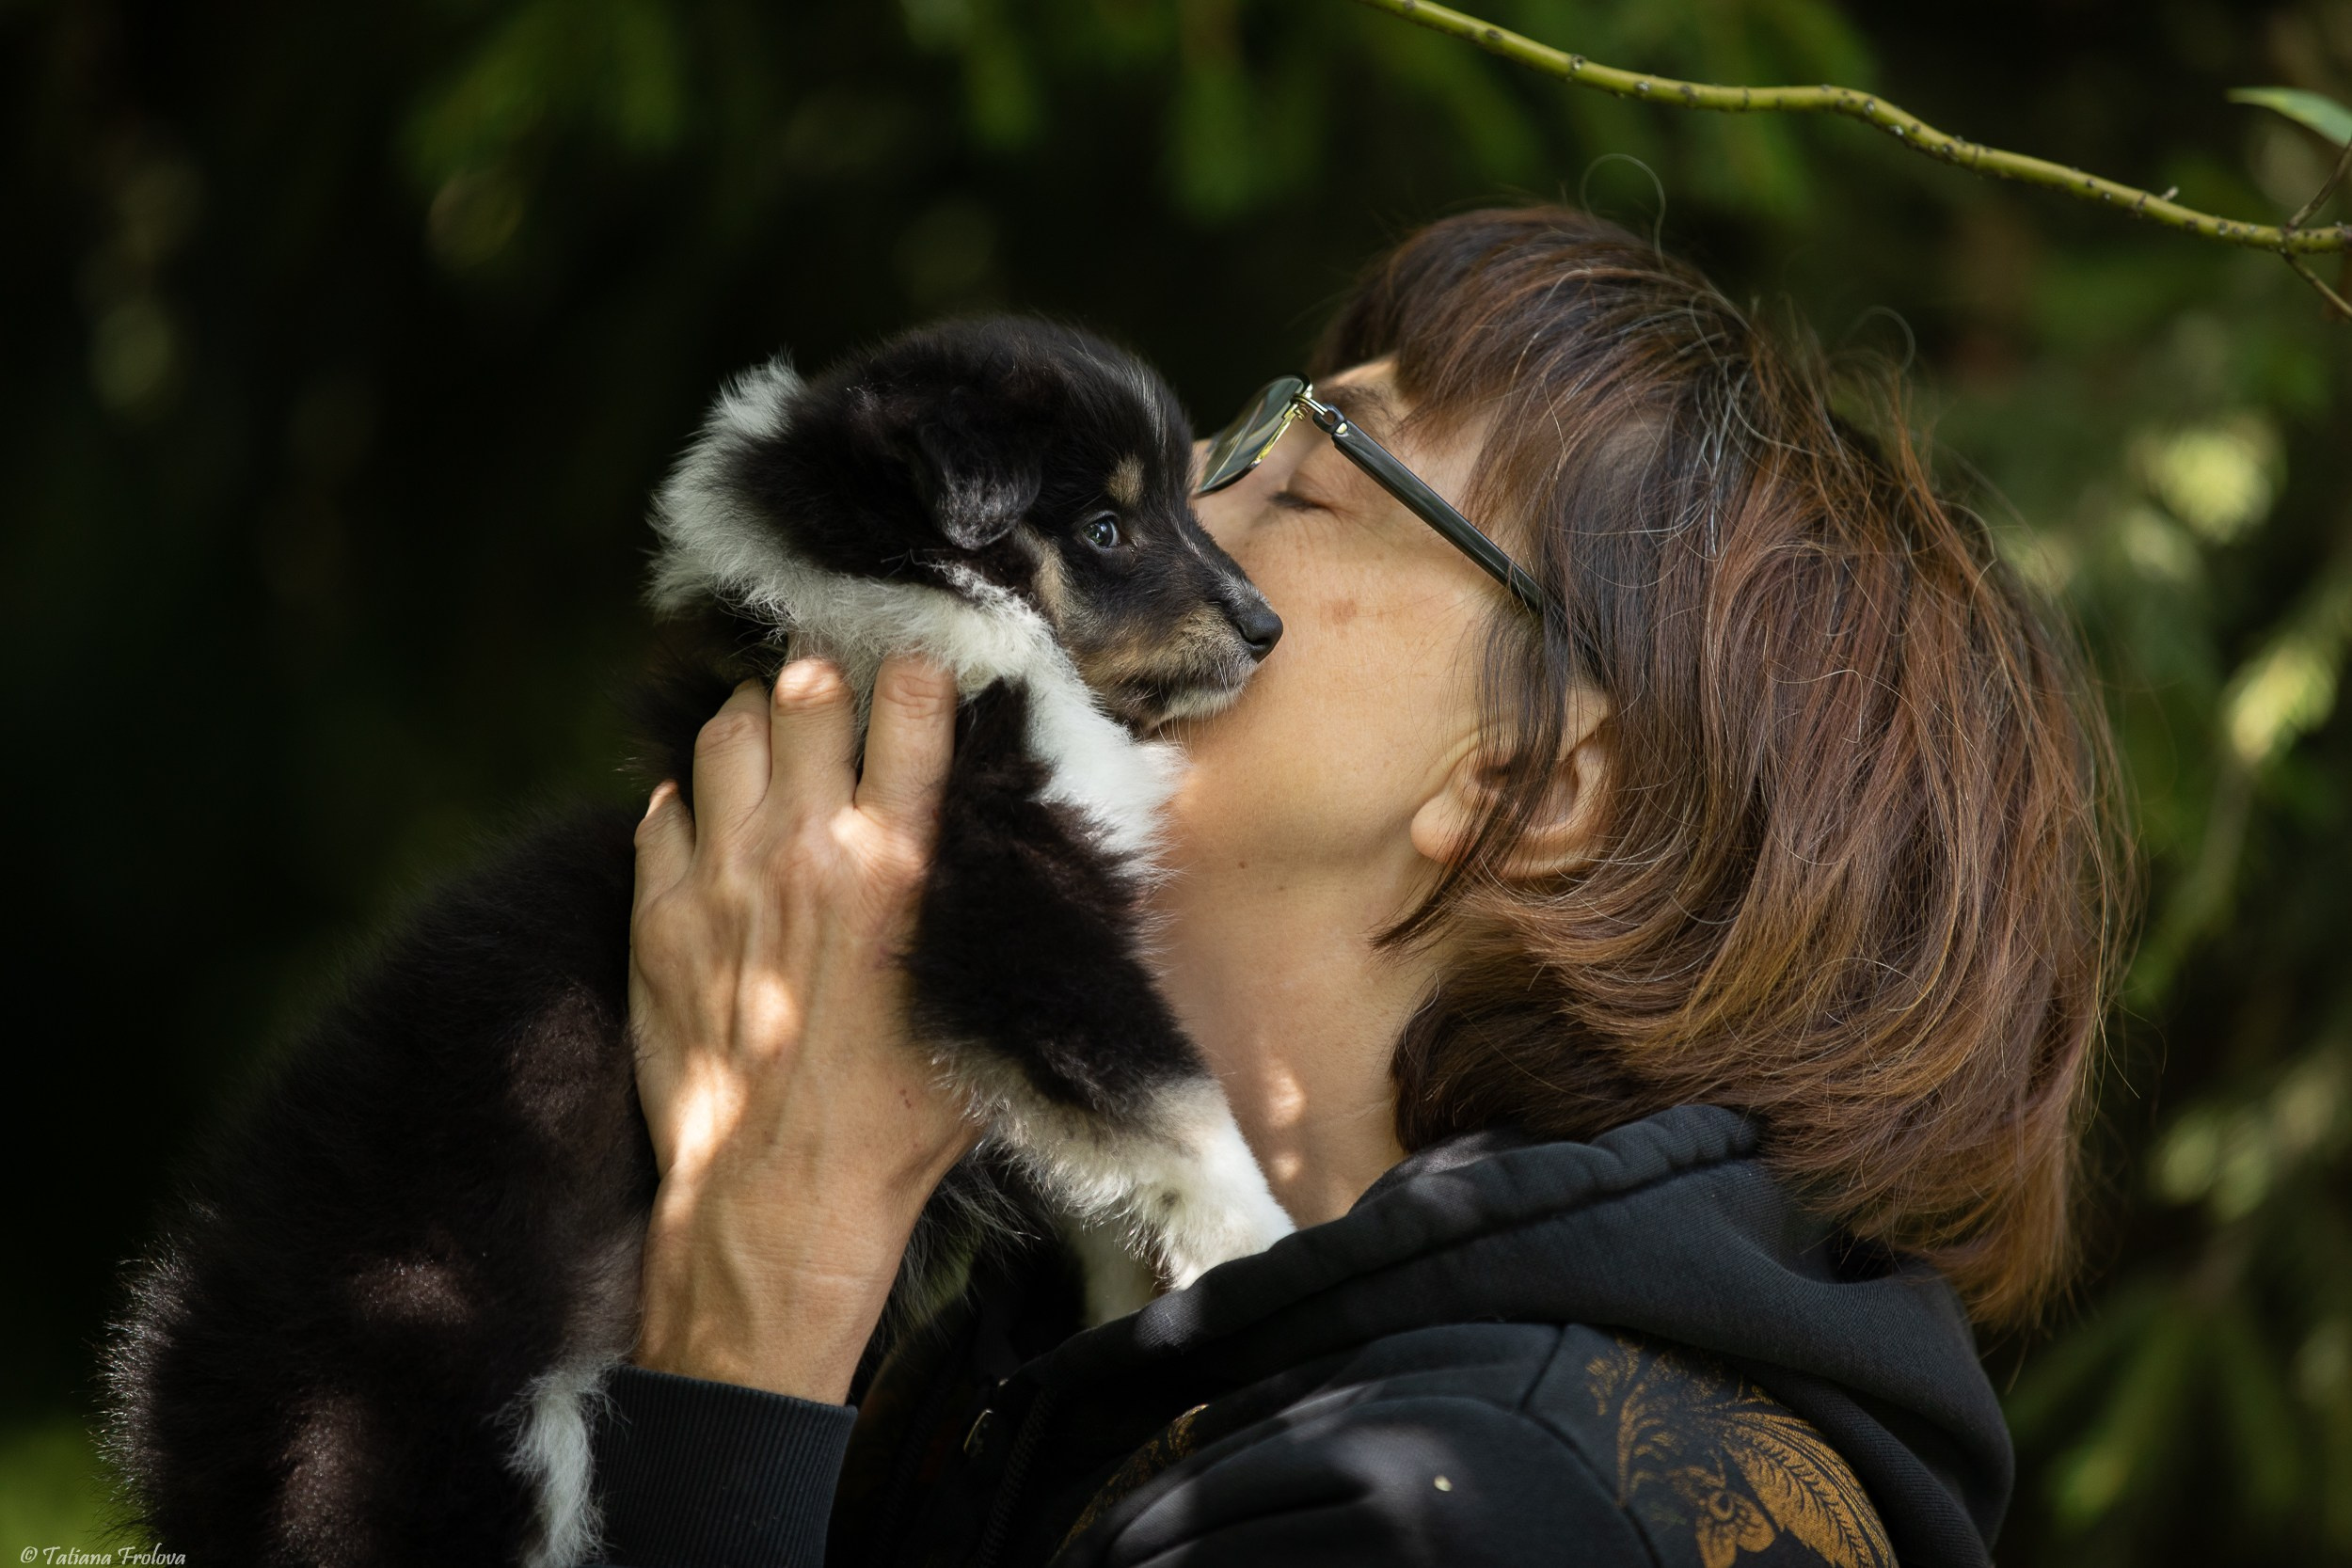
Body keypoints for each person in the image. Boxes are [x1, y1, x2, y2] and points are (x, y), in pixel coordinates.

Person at [596, 204, 2120, 1568]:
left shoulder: (1497, 1513)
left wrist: (750, 1346)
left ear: (1530, 781)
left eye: (1308, 482)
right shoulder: (1055, 1353)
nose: (1182, 481)